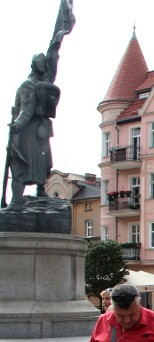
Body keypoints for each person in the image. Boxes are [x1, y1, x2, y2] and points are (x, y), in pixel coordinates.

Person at [6, 2, 74, 209]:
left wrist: (17, 123)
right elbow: (26, 109)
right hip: (34, 131)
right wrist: (18, 123)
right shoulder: (34, 85)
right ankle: (22, 198)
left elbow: (25, 110)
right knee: (27, 162)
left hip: (34, 131)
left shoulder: (37, 83)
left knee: (33, 163)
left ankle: (30, 195)